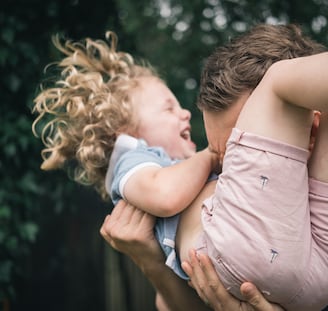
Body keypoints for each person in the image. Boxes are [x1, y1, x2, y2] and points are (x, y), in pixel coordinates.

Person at [101, 1, 328, 310]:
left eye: (244, 144)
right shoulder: (156, 167)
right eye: (226, 156)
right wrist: (152, 263)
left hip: (318, 277)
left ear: (311, 125)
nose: (231, 171)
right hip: (307, 276)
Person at [31, 31, 219, 309]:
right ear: (127, 134)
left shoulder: (180, 171)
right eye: (169, 108)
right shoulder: (134, 161)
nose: (186, 113)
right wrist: (212, 155)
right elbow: (165, 194)